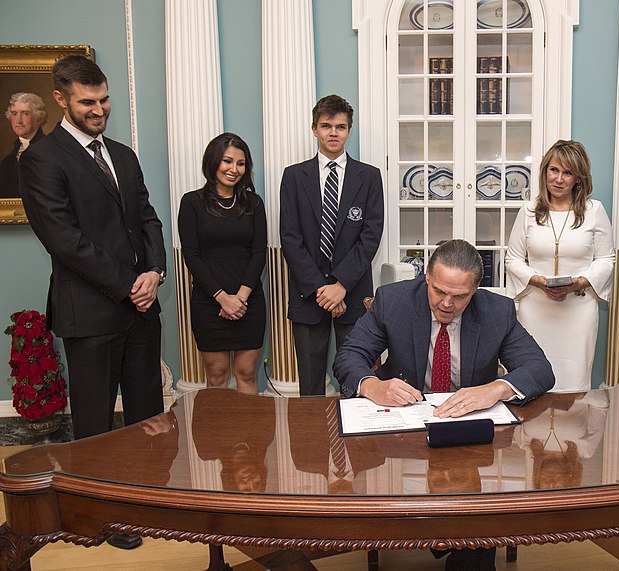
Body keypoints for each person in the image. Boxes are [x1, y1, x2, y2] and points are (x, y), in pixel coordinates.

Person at [19, 55, 166, 549]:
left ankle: (147, 505)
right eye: (88, 102)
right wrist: (129, 284)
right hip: (91, 312)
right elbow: (65, 241)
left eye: (104, 100)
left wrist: (154, 273)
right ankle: (100, 518)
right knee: (97, 424)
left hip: (142, 306)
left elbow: (147, 218)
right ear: (60, 99)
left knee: (148, 413)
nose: (99, 109)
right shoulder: (41, 159)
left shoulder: (123, 154)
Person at [334, 239, 555, 418]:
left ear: (475, 288)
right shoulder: (393, 302)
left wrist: (495, 389)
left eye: (459, 296)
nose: (447, 303)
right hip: (404, 421)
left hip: (469, 423)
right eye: (439, 291)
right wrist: (373, 387)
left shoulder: (497, 312)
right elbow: (349, 355)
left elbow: (539, 368)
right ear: (428, 275)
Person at [280, 94, 384, 396]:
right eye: (326, 126)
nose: (333, 133)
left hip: (352, 295)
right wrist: (320, 289)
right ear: (314, 129)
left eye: (340, 126)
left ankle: (352, 444)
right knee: (310, 384)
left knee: (355, 378)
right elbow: (290, 237)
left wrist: (341, 285)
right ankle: (311, 444)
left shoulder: (369, 176)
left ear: (349, 130)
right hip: (308, 294)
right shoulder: (293, 177)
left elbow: (370, 236)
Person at [505, 140, 615, 392]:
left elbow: (607, 259)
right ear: (545, 172)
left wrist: (579, 282)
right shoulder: (529, 210)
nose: (559, 179)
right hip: (535, 309)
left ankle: (573, 432)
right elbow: (513, 259)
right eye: (554, 170)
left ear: (579, 178)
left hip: (578, 309)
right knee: (533, 376)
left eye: (568, 172)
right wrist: (537, 281)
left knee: (574, 382)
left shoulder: (594, 210)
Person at [178, 133, 266, 394]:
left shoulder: (253, 203)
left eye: (240, 163)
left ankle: (247, 435)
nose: (234, 169)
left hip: (248, 300)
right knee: (216, 376)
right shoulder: (192, 202)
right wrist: (222, 298)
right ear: (213, 161)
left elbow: (259, 253)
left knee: (247, 373)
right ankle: (219, 436)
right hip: (209, 301)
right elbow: (191, 256)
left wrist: (239, 298)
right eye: (227, 161)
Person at [0, 92, 47, 197]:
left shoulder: (51, 151)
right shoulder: (7, 162)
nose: (19, 121)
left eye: (25, 113)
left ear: (39, 118)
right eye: (14, 114)